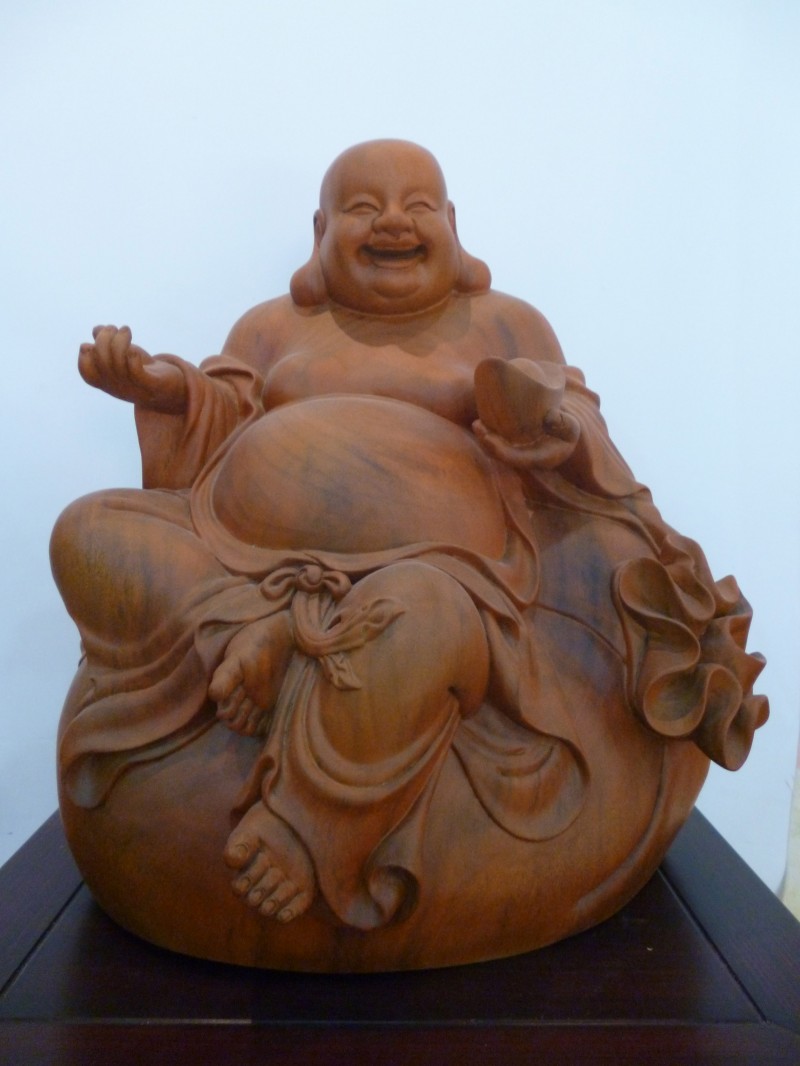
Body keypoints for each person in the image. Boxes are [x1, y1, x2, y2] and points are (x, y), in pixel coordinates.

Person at [51, 140, 766, 937]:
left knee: (423, 616)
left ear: (454, 225)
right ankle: (261, 630)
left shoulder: (506, 321)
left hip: (454, 572)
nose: (393, 221)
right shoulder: (270, 326)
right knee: (91, 530)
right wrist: (167, 393)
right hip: (247, 565)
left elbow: (575, 424)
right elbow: (225, 416)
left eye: (418, 205)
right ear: (319, 232)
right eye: (363, 208)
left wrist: (542, 423)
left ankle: (307, 821)